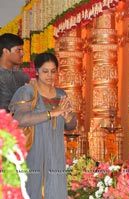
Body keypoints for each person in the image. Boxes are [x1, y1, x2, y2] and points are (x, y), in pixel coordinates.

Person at [9, 52, 77, 199]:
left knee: (56, 191)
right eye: (45, 71)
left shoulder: (61, 94)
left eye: (53, 71)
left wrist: (67, 117)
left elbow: (72, 126)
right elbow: (19, 119)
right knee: (33, 191)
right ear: (37, 71)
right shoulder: (27, 92)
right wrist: (51, 114)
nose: (49, 75)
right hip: (34, 153)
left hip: (56, 155)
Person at [0, 33, 30, 112]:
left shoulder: (23, 76)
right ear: (5, 51)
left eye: (22, 50)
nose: (22, 54)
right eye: (18, 50)